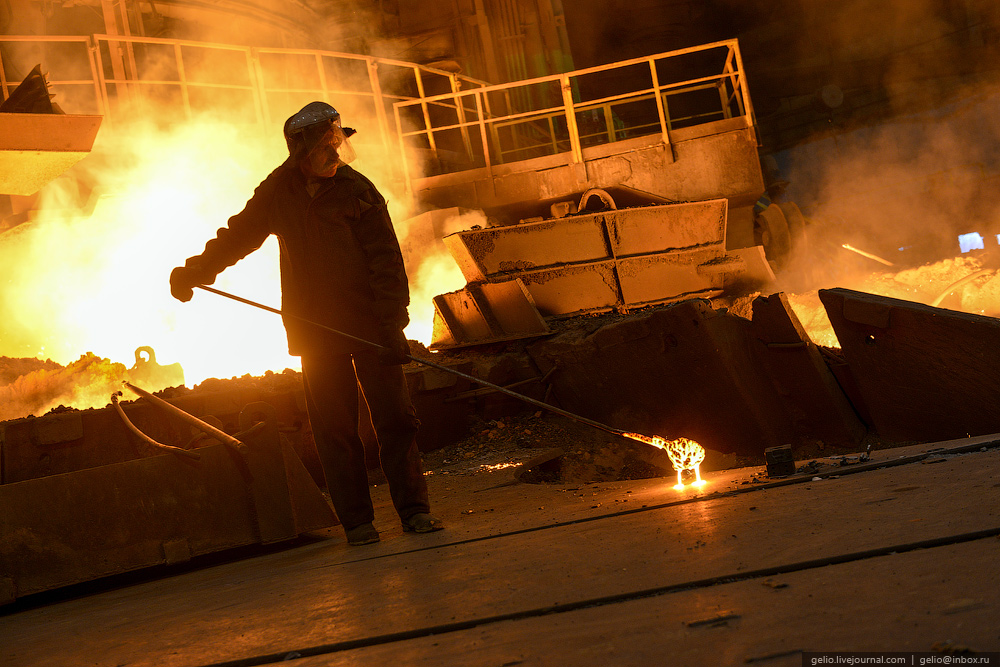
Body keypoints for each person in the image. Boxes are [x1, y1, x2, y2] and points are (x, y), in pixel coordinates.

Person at [169, 101, 443, 546]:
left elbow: (387, 263)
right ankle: (358, 524)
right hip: (315, 330)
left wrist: (393, 325)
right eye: (325, 150)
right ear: (302, 154)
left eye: (338, 146)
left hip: (371, 326)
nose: (336, 156)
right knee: (334, 429)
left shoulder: (358, 191)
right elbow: (238, 236)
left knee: (396, 420)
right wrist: (196, 271)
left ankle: (414, 512)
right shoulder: (278, 192)